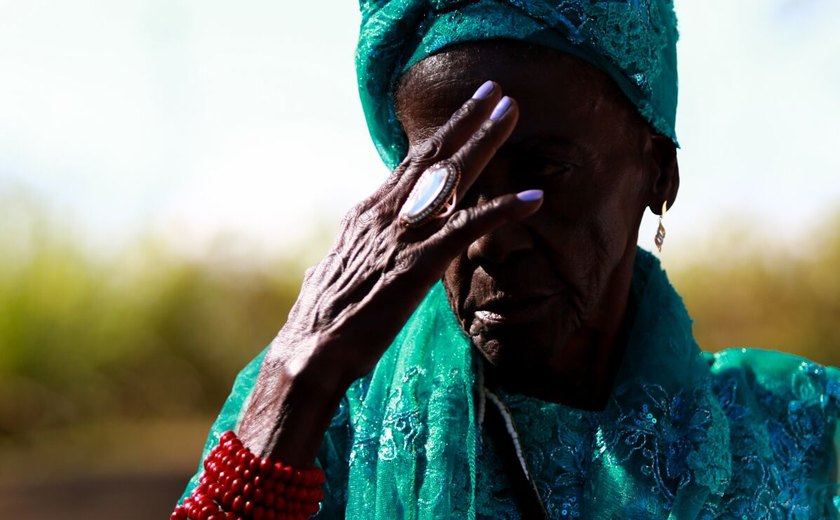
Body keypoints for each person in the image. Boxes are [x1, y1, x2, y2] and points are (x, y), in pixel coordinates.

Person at [173, 0, 840, 518]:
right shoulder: (316, 435)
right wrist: (298, 386)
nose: (490, 239)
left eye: (544, 172)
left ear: (658, 174)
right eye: (447, 185)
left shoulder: (801, 441)